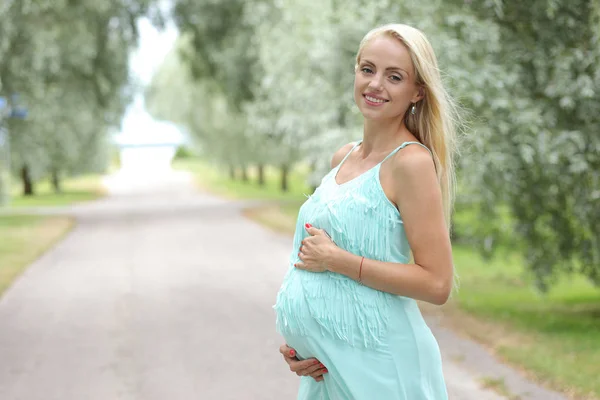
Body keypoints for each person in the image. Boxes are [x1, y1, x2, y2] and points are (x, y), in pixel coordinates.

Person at [273, 23, 460, 399]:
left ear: (417, 92)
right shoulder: (343, 157)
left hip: (382, 370)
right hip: (328, 372)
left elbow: (437, 284)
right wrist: (301, 347)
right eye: (367, 69)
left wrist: (340, 260)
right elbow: (307, 266)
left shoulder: (410, 164)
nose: (375, 85)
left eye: (394, 77)